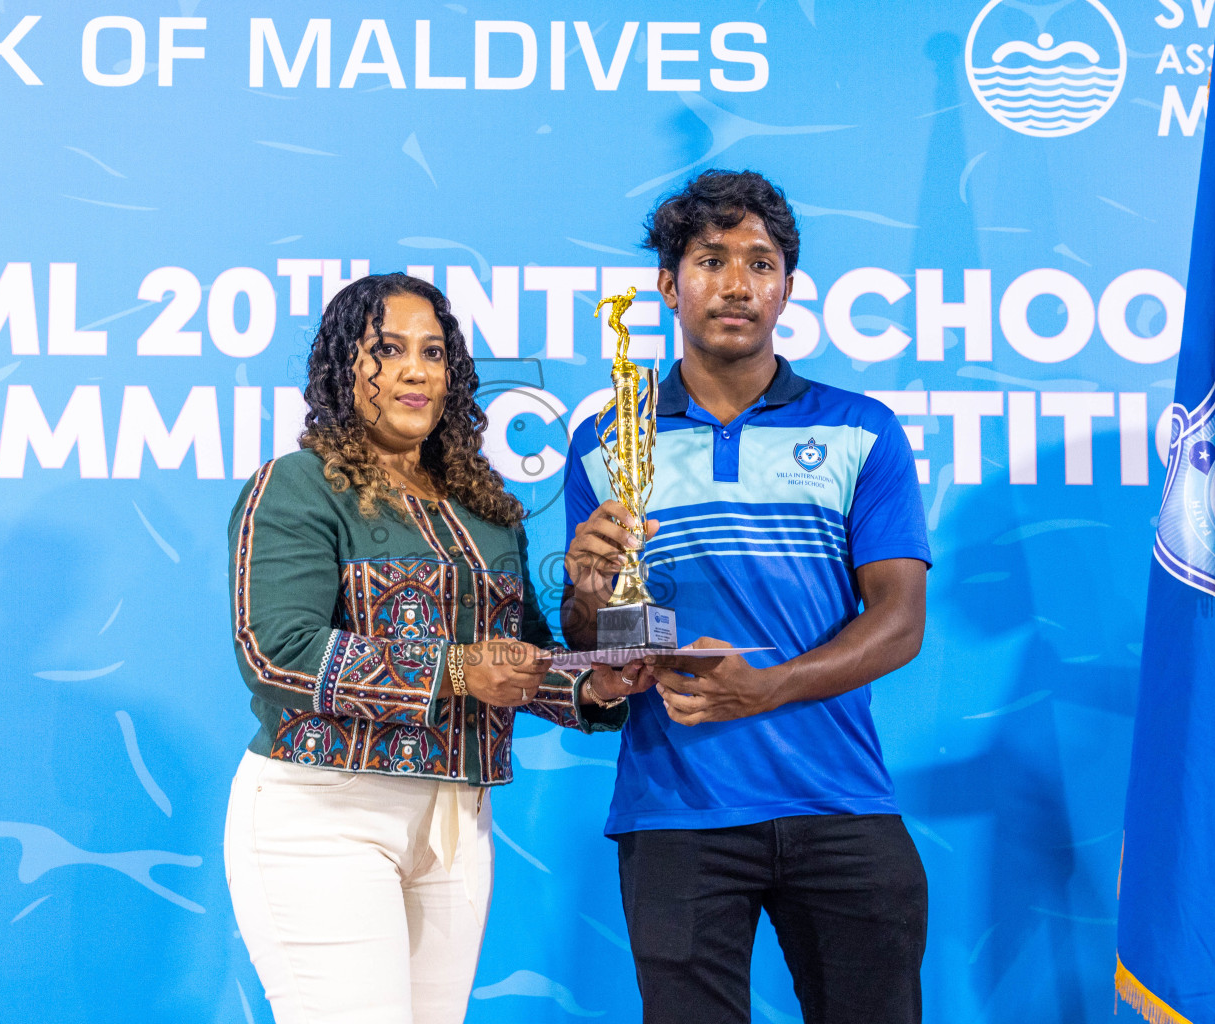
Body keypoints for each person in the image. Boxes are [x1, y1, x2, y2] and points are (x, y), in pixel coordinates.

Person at [561, 170, 933, 1024]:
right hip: (676, 810)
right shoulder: (606, 439)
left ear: (788, 289)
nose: (737, 284)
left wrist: (763, 688)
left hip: (839, 802)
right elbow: (602, 636)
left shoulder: (860, 428)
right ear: (667, 283)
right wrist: (585, 588)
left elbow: (900, 621)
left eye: (761, 263)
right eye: (711, 259)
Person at [223, 273, 635, 1024]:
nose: (416, 370)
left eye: (434, 352)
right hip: (326, 813)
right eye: (388, 349)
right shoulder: (297, 486)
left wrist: (593, 685)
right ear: (341, 367)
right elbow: (276, 651)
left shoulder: (486, 510)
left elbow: (517, 659)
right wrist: (452, 668)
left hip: (457, 822)